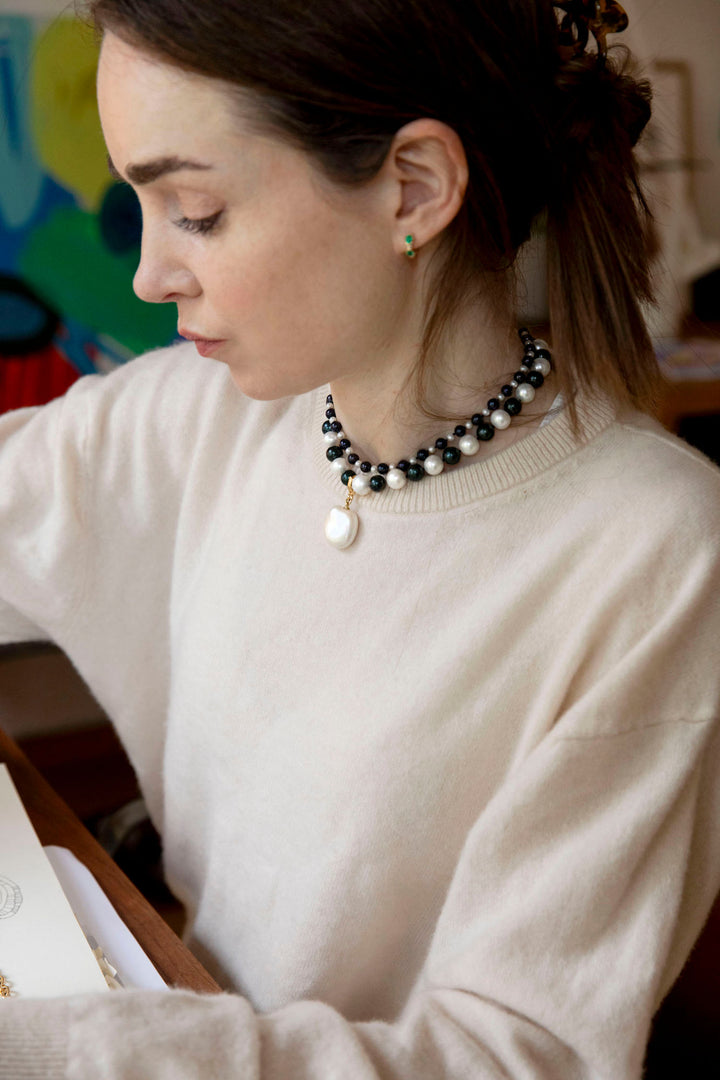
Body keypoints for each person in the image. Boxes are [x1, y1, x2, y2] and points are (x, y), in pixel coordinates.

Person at [1, 0, 719, 1076]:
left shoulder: (653, 554)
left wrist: (62, 1051)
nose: (151, 275)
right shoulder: (193, 418)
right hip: (153, 980)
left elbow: (512, 1057)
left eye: (194, 210)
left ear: (414, 188)